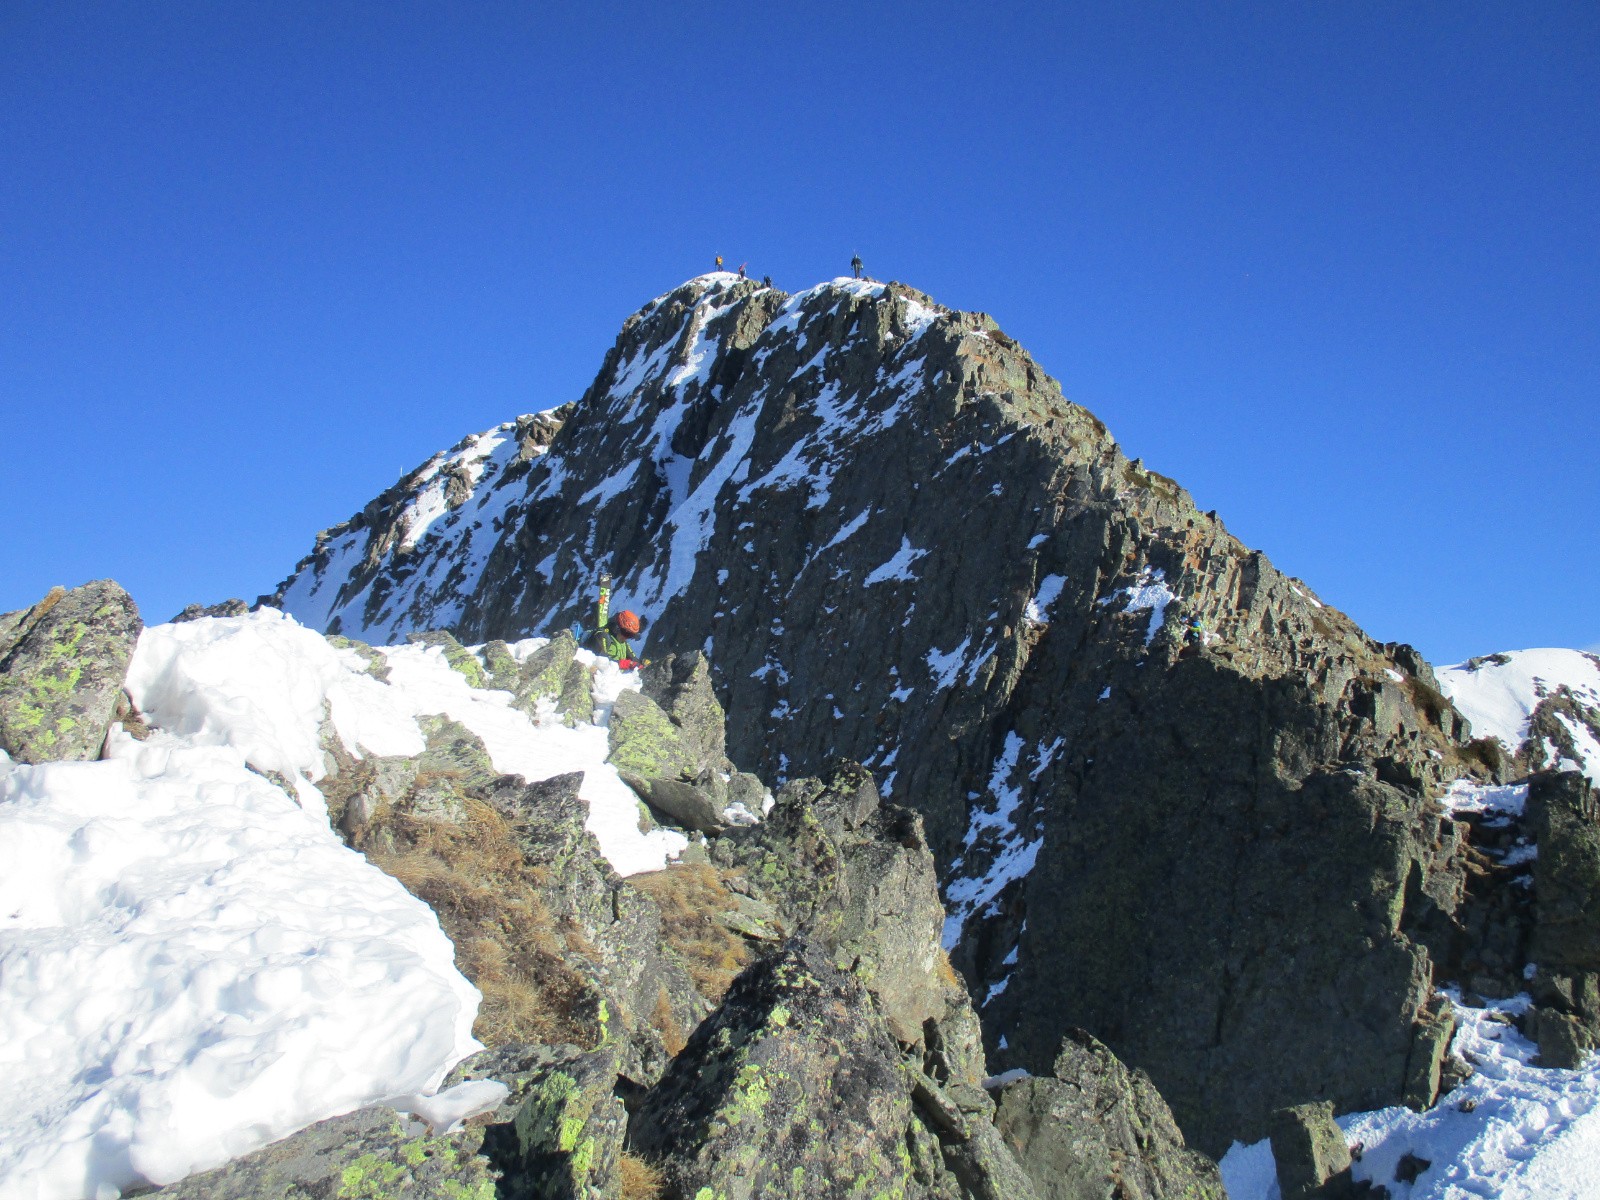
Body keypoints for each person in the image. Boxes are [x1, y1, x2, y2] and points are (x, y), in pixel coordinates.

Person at [589, 572, 646, 670]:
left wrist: (642, 664)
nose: (626, 637)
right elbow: (600, 661)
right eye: (626, 633)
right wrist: (623, 664)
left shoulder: (622, 643)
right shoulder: (602, 636)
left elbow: (634, 660)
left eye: (631, 635)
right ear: (616, 627)